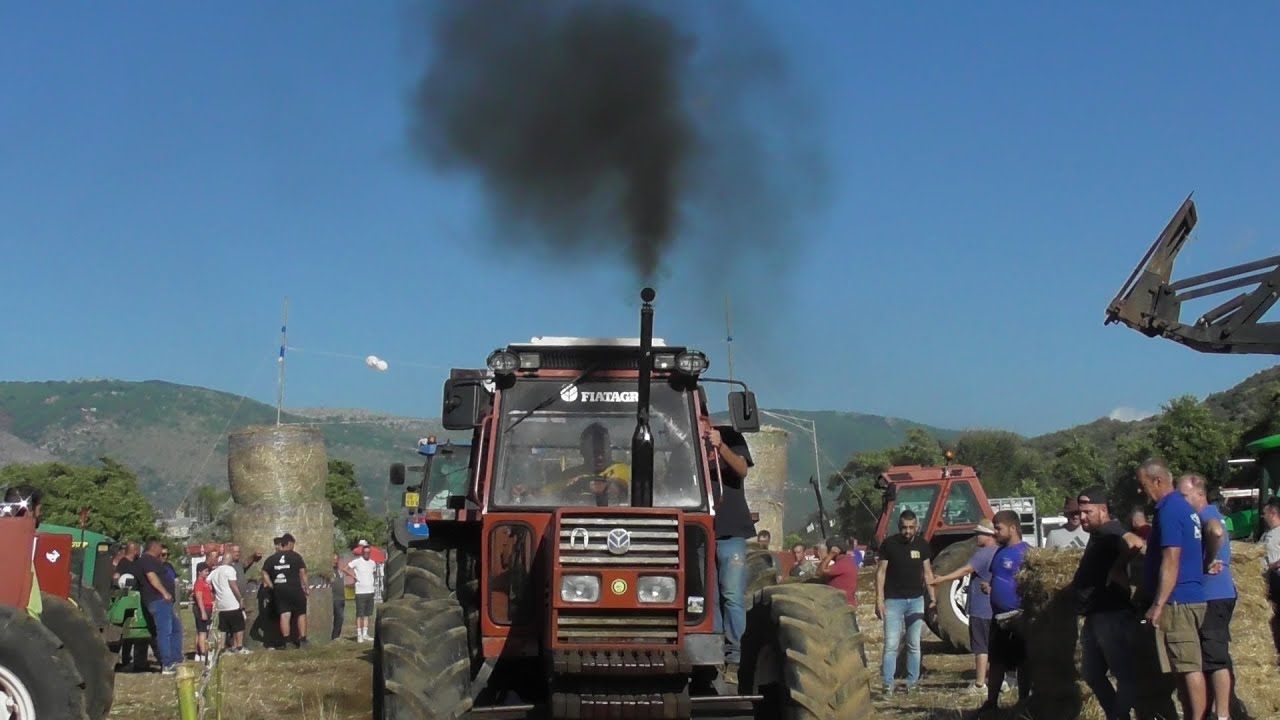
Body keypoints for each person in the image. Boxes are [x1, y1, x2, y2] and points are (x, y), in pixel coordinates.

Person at [1137, 458, 1207, 720]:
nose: (1140, 490)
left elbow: (1172, 557)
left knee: (1188, 667)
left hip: (1179, 601)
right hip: (1185, 597)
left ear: (1158, 481)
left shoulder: (1169, 510)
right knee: (1180, 666)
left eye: (1142, 484)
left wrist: (1159, 603)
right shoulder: (1181, 507)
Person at [1072, 486, 1143, 720]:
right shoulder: (1098, 534)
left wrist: (1118, 566)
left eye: (1087, 512)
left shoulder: (1111, 529)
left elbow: (1136, 543)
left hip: (1112, 613)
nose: (1081, 517)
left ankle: (1119, 716)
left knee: (1124, 675)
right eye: (1079, 512)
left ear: (1103, 510)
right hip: (1095, 614)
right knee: (1091, 674)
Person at [1178, 474, 1236, 720]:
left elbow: (1216, 531)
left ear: (1200, 495)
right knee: (1208, 657)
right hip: (1211, 595)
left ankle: (1222, 715)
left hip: (1215, 594)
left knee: (1216, 658)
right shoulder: (1201, 516)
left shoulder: (1206, 516)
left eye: (1184, 496)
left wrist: (1209, 559)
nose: (1181, 501)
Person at [707, 423, 755, 686]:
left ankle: (734, 657)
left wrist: (720, 445)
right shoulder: (684, 437)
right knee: (708, 597)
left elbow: (742, 470)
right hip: (701, 532)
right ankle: (711, 654)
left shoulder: (730, 436)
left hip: (731, 530)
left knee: (732, 596)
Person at [929, 518, 998, 695]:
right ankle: (999, 680)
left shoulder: (982, 554)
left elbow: (965, 570)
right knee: (994, 646)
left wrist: (941, 579)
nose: (975, 537)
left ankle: (980, 685)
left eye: (979, 533)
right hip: (994, 609)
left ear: (988, 535)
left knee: (981, 648)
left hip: (981, 609)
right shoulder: (999, 552)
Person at [876, 509, 936, 695]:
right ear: (899, 526)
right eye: (904, 528)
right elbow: (881, 573)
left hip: (916, 601)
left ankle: (912, 683)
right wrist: (879, 599)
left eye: (911, 527)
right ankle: (888, 684)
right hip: (893, 601)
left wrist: (933, 598)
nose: (907, 531)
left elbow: (928, 573)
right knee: (891, 644)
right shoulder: (889, 544)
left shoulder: (922, 545)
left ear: (916, 526)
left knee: (914, 644)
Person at [978, 510, 1032, 716]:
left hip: (1018, 618)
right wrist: (990, 588)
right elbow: (999, 578)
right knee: (997, 662)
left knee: (1023, 662)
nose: (995, 532)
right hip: (998, 618)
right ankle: (991, 703)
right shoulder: (999, 553)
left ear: (1013, 528)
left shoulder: (1027, 553)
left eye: (998, 528)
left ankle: (1024, 702)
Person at [136, 540, 181, 674]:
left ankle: (176, 659)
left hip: (164, 602)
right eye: (160, 548)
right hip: (158, 600)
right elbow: (152, 577)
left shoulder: (154, 561)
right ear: (154, 547)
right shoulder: (147, 560)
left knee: (176, 629)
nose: (161, 552)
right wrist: (164, 592)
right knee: (164, 631)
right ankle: (166, 664)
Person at [261, 533, 310, 649]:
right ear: (289, 543)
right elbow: (303, 572)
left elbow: (263, 572)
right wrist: (306, 587)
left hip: (279, 589)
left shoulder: (272, 558)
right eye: (293, 544)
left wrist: (271, 585)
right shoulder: (296, 556)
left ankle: (286, 641)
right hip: (295, 588)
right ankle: (302, 639)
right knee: (301, 613)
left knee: (284, 614)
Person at [209, 556, 249, 654]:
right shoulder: (229, 569)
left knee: (224, 628)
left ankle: (222, 648)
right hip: (232, 602)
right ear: (229, 560)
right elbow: (233, 585)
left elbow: (208, 583)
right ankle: (239, 647)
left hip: (221, 604)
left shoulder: (214, 572)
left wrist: (215, 595)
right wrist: (240, 598)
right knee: (239, 626)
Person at [346, 541, 378, 643]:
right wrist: (353, 576)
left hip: (370, 590)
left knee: (367, 614)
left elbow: (373, 574)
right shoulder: (357, 561)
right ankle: (359, 634)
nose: (367, 554)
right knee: (359, 614)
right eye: (365, 552)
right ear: (362, 553)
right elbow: (346, 568)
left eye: (368, 552)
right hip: (360, 591)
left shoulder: (372, 563)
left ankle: (365, 633)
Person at [819, 540, 859, 606]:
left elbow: (820, 572)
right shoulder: (845, 561)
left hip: (843, 605)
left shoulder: (843, 563)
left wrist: (830, 555)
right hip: (842, 603)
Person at [192, 562, 213, 664]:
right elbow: (199, 597)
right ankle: (204, 654)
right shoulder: (199, 583)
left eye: (208, 571)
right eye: (205, 571)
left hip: (208, 607)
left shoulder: (205, 582)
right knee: (203, 632)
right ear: (199, 572)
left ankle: (198, 653)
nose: (207, 573)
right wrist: (203, 611)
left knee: (200, 631)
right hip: (203, 608)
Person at [331, 554, 347, 640]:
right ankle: (331, 635)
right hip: (333, 598)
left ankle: (336, 636)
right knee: (333, 617)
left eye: (337, 559)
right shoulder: (329, 572)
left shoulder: (340, 571)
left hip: (341, 598)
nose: (335, 561)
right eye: (333, 559)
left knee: (340, 618)